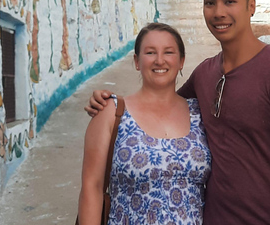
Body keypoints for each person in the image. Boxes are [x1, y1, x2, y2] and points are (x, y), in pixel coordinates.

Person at [88, 0, 270, 224]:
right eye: (210, 3)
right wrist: (111, 104)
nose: (219, 12)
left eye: (229, 2)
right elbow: (160, 104)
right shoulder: (204, 74)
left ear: (251, 6)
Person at [78, 23, 212, 225]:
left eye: (168, 52)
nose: (159, 60)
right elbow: (92, 187)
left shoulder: (199, 112)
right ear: (137, 61)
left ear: (181, 61)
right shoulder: (111, 112)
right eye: (150, 52)